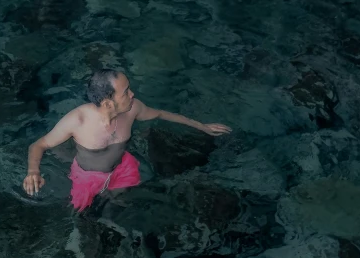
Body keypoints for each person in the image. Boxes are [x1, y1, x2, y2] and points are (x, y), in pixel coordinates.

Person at [22, 69, 231, 211]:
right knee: (80, 212)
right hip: (87, 178)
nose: (132, 94)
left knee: (121, 202)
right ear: (107, 103)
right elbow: (39, 144)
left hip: (123, 167)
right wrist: (33, 172)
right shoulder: (78, 120)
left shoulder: (133, 110)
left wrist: (202, 126)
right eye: (126, 92)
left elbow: (160, 114)